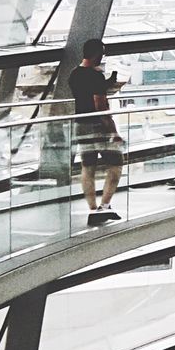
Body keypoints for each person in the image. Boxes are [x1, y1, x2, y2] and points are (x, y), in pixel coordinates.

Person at [68, 37, 123, 221]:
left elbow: (84, 93)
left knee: (87, 166)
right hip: (97, 125)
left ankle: (92, 209)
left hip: (80, 124)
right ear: (96, 54)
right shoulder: (96, 75)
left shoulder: (74, 74)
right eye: (102, 53)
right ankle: (105, 205)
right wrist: (113, 132)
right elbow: (100, 104)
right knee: (116, 164)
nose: (103, 57)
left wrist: (104, 82)